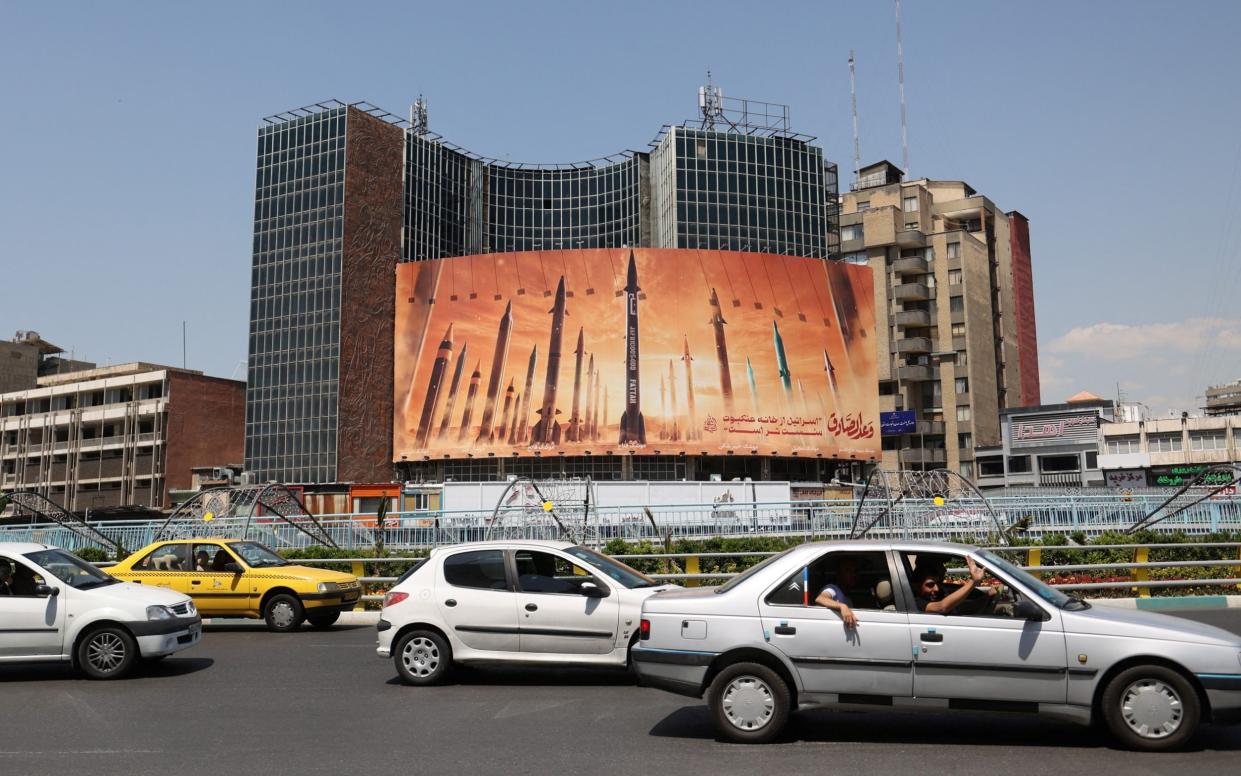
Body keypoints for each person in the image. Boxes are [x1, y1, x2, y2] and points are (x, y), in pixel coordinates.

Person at [911, 557, 1001, 614]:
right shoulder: (915, 602)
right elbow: (942, 607)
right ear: (916, 586)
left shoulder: (940, 592)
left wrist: (986, 598)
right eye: (930, 585)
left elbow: (961, 607)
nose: (937, 588)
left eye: (938, 583)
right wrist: (973, 582)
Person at [814, 556, 864, 628]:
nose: (853, 574)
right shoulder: (833, 589)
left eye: (855, 571)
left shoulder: (847, 596)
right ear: (839, 574)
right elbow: (820, 599)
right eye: (848, 570)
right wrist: (842, 606)